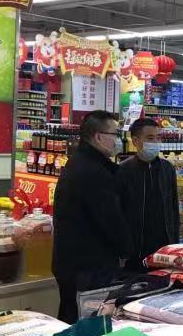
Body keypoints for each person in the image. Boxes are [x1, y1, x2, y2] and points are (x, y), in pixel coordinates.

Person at [52, 110, 132, 323]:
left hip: (73, 262)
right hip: (89, 265)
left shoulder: (81, 162)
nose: (118, 140)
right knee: (87, 323)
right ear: (98, 137)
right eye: (115, 134)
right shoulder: (93, 171)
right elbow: (109, 218)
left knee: (71, 314)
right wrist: (126, 249)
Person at [116, 118, 180, 270]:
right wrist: (121, 250)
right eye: (150, 138)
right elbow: (118, 213)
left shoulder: (167, 169)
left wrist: (175, 244)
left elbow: (173, 208)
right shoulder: (122, 170)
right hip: (135, 250)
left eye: (158, 138)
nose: (156, 142)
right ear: (136, 141)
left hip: (164, 248)